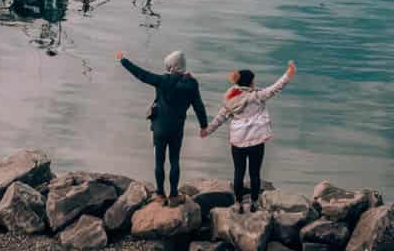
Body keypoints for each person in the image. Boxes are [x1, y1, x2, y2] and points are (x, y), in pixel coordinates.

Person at [200, 60, 296, 212]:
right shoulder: (256, 96)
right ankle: (254, 203)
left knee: (238, 172)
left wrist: (207, 130)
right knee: (255, 173)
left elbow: (220, 117)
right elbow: (275, 88)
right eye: (253, 80)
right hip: (256, 142)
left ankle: (238, 203)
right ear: (249, 82)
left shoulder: (231, 97)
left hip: (237, 143)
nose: (254, 82)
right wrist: (288, 74)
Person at [117, 49, 207, 205]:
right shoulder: (192, 84)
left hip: (159, 127)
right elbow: (199, 106)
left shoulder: (162, 80)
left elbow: (141, 74)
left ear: (171, 66)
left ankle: (160, 195)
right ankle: (173, 195)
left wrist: (123, 60)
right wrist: (203, 126)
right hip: (177, 129)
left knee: (159, 161)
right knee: (174, 161)